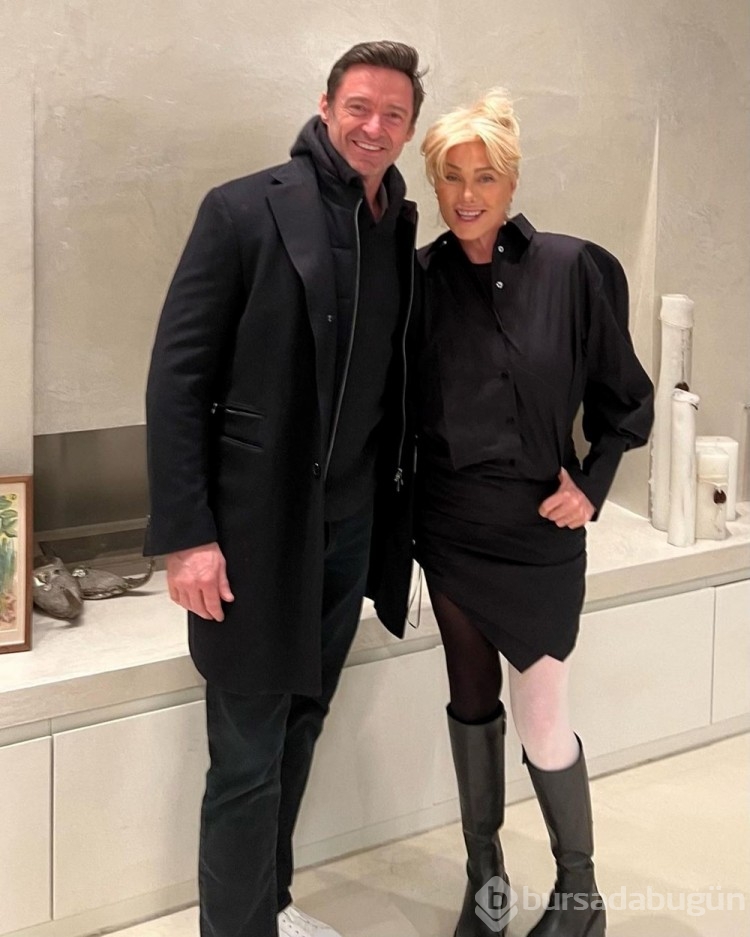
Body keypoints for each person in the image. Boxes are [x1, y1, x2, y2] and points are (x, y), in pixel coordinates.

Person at [144, 41, 425, 937]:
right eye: (359, 107)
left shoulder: (398, 227)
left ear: (408, 130)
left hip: (347, 529)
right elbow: (176, 379)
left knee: (303, 721)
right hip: (252, 536)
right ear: (326, 105)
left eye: (393, 115)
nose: (374, 127)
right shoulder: (244, 209)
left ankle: (269, 904)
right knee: (245, 759)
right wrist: (188, 536)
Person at [413, 91, 654, 937]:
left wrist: (592, 482)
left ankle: (579, 894)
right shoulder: (419, 282)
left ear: (512, 181)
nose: (467, 194)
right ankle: (487, 886)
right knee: (470, 700)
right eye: (451, 176)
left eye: (485, 176)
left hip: (540, 533)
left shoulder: (573, 269)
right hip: (450, 528)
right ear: (434, 183)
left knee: (543, 715)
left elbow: (628, 400)